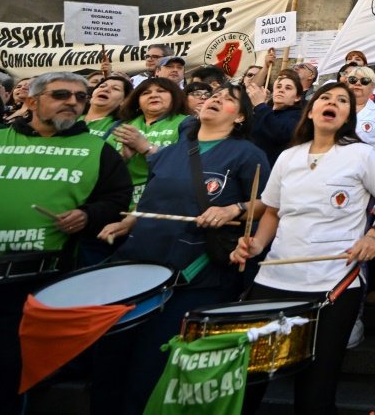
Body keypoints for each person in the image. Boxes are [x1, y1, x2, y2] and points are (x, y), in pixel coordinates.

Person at [92, 84, 268, 415]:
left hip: (193, 277)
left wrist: (234, 209)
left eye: (229, 100)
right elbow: (152, 196)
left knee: (151, 366)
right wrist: (128, 222)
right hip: (139, 265)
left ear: (241, 117)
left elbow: (269, 204)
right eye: (215, 95)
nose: (216, 99)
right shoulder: (174, 150)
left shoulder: (247, 154)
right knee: (111, 363)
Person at [231, 81, 375, 415]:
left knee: (316, 387)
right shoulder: (287, 156)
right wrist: (256, 245)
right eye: (326, 97)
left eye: (342, 101)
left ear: (347, 117)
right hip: (275, 280)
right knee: (251, 380)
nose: (334, 103)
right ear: (310, 110)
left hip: (333, 284)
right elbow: (273, 211)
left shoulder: (361, 154)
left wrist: (373, 235)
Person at [0, 72, 132, 414]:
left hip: (31, 287)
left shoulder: (100, 152)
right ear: (30, 101)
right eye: (61, 94)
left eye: (80, 97)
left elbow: (117, 199)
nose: (73, 101)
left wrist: (88, 215)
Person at [111, 77, 188, 207]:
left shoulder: (188, 122)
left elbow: (188, 161)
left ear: (175, 97)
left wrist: (146, 147)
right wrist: (123, 158)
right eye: (145, 93)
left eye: (161, 91)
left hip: (163, 203)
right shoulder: (121, 126)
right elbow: (101, 169)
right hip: (119, 202)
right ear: (138, 102)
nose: (153, 95)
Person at [247, 69, 304, 166]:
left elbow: (279, 133)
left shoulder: (298, 116)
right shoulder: (264, 110)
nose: (281, 90)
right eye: (278, 87)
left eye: (288, 88)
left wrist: (260, 105)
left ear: (297, 97)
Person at [81, 74, 134, 139]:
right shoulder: (70, 118)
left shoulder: (122, 127)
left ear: (124, 100)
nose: (106, 89)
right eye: (102, 86)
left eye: (115, 89)